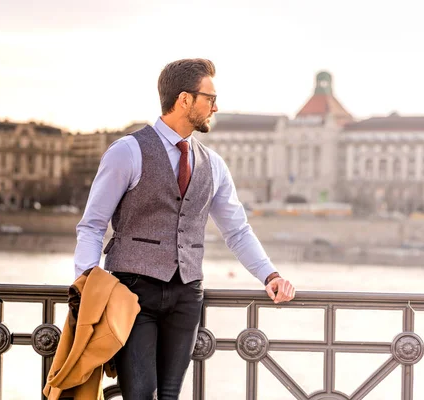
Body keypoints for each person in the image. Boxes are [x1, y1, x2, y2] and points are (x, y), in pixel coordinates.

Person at [74, 58, 296, 400]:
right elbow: (92, 225)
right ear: (185, 100)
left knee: (170, 396)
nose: (216, 106)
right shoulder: (128, 151)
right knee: (140, 395)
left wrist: (270, 276)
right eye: (210, 97)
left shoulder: (213, 164)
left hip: (187, 294)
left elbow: (236, 230)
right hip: (132, 291)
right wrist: (85, 282)